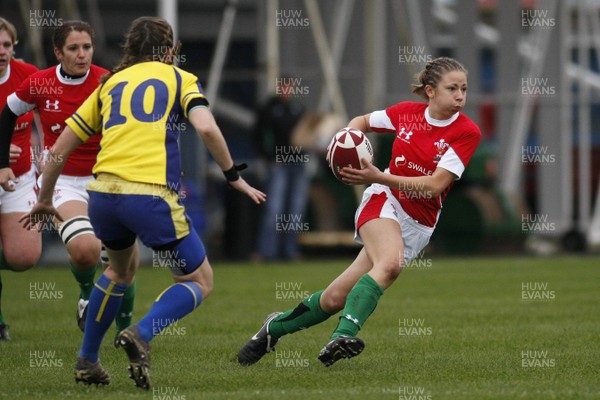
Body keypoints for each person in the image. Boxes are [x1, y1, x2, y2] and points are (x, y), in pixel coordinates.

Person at [17, 16, 266, 388]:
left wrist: (45, 198)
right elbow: (208, 127)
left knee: (118, 271)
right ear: (169, 51)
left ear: (130, 49)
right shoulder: (179, 78)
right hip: (148, 196)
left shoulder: (108, 84)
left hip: (102, 196)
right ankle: (142, 332)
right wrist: (233, 176)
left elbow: (59, 149)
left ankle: (88, 360)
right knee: (199, 278)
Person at [237, 57, 481, 367]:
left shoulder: (466, 131)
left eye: (464, 89)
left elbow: (434, 186)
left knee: (334, 298)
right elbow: (361, 122)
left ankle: (273, 328)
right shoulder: (407, 113)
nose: (460, 96)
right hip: (384, 200)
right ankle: (343, 335)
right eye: (452, 89)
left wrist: (377, 174)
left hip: (419, 223)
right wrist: (345, 141)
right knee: (389, 264)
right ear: (430, 91)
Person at [0, 20, 137, 335]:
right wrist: (1, 162)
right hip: (62, 180)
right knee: (86, 250)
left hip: (107, 178)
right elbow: (7, 113)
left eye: (87, 47)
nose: (82, 55)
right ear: (58, 52)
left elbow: (133, 129)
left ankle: (126, 332)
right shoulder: (40, 83)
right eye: (73, 48)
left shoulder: (109, 82)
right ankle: (88, 296)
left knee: (124, 265)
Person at [0, 17, 41, 341]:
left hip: (21, 178)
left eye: (6, 45)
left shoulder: (27, 75)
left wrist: (47, 152)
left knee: (24, 257)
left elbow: (49, 112)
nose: (1, 51)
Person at [253, 81, 308, 261]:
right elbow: (259, 135)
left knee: (296, 209)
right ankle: (267, 252)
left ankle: (291, 252)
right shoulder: (269, 109)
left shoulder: (298, 108)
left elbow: (305, 134)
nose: (287, 92)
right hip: (278, 164)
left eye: (290, 88)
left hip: (298, 164)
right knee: (274, 209)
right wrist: (269, 158)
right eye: (284, 88)